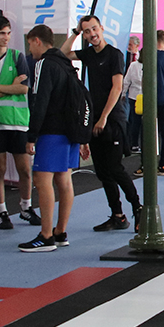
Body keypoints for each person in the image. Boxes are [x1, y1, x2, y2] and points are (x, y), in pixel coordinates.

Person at [61, 15, 142, 232]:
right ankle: (117, 214)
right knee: (102, 171)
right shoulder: (88, 53)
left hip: (112, 119)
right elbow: (64, 53)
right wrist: (76, 32)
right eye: (87, 31)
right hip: (95, 119)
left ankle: (138, 208)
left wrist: (104, 117)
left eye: (94, 29)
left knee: (115, 168)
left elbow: (116, 88)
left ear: (102, 28)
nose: (92, 34)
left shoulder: (114, 55)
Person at [18, 24, 83, 252]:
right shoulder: (66, 63)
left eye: (29, 43)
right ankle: (60, 231)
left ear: (37, 40)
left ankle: (46, 235)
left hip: (52, 130)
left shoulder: (44, 64)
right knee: (64, 181)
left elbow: (40, 100)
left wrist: (31, 135)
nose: (30, 49)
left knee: (43, 179)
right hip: (70, 130)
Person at [0, 15, 40, 229]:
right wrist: (7, 86)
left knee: (24, 169)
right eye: (2, 33)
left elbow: (23, 88)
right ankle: (1, 212)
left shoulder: (17, 57)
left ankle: (26, 207)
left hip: (18, 122)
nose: (6, 37)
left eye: (8, 33)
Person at [134, 30, 164, 177]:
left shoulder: (150, 56)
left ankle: (145, 165)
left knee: (147, 133)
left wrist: (145, 93)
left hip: (151, 100)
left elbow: (144, 79)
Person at [123, 39, 144, 152]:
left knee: (134, 122)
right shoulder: (151, 65)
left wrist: (122, 93)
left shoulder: (133, 65)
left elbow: (126, 81)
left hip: (134, 96)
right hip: (144, 97)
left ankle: (134, 144)